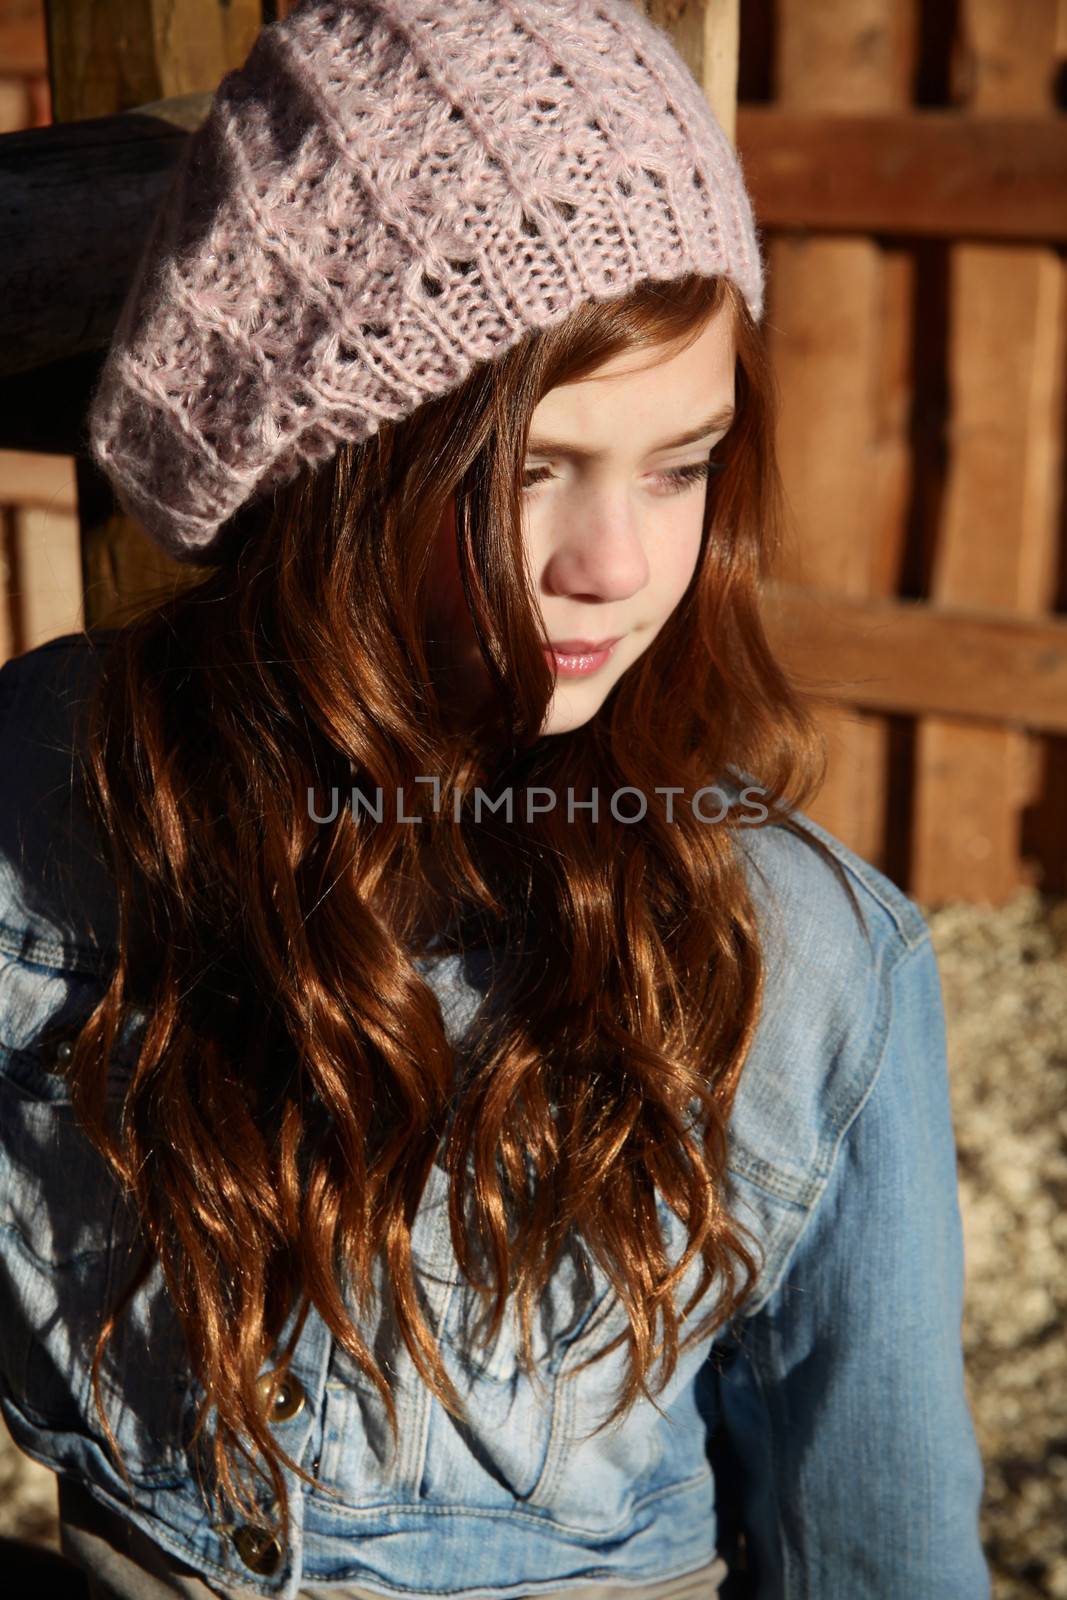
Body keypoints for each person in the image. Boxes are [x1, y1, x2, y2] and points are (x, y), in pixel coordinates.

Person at [0, 1, 989, 1597]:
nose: (618, 564)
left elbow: (872, 1547)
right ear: (322, 466)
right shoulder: (53, 800)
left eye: (682, 466)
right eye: (528, 467)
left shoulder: (804, 964)